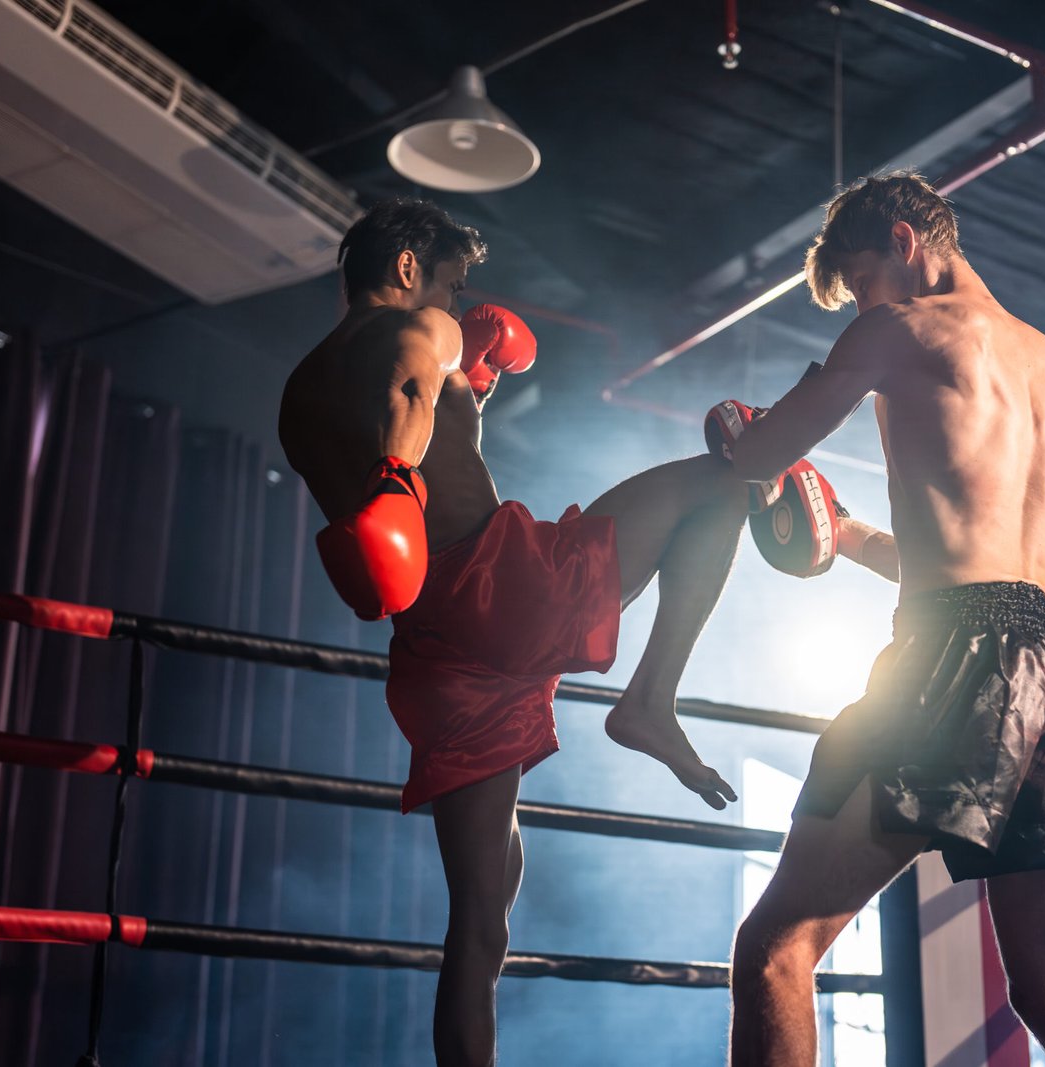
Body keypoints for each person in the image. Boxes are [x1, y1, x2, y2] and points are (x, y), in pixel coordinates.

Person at [277, 197, 744, 1066]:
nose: (457, 306)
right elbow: (409, 390)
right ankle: (649, 701)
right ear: (410, 269)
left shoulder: (297, 392)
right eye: (452, 284)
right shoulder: (423, 330)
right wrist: (401, 460)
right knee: (725, 485)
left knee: (480, 921)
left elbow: (408, 427)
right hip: (502, 593)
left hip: (431, 649)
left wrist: (452, 418)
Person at [723, 173, 1045, 1066]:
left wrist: (733, 433)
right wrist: (850, 535)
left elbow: (758, 452)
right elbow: (980, 556)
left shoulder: (897, 330)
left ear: (905, 243)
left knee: (774, 952)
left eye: (865, 281)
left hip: (952, 657)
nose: (862, 306)